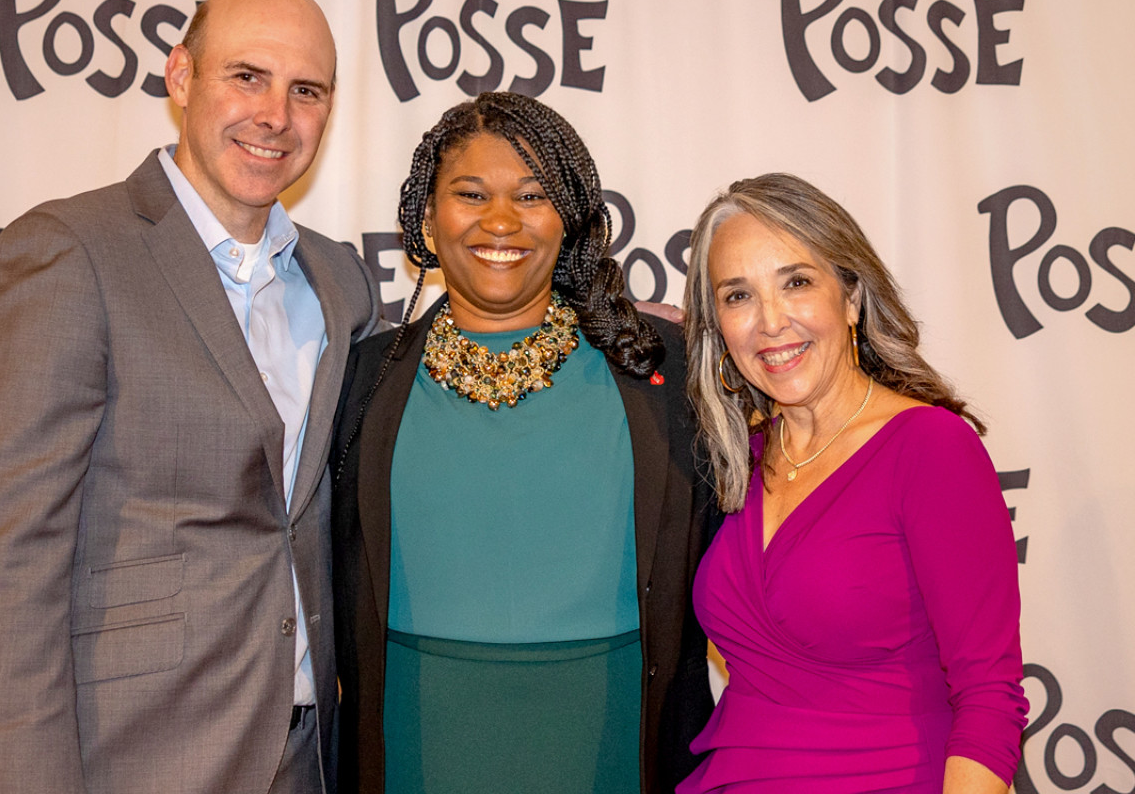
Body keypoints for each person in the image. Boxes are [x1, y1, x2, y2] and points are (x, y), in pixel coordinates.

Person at [0, 0, 381, 791]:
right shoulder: (68, 253)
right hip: (130, 757)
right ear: (181, 75)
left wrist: (613, 316)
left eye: (306, 91)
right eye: (248, 76)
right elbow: (4, 564)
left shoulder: (338, 279)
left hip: (304, 758)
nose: (275, 115)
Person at [330, 91, 719, 794]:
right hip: (420, 740)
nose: (501, 221)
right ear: (426, 214)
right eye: (471, 193)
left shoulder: (664, 366)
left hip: (614, 741)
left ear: (569, 219)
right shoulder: (359, 380)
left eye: (533, 196)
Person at [677, 173, 1028, 793]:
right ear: (717, 329)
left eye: (796, 282)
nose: (771, 322)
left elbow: (988, 698)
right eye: (738, 297)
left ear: (851, 297)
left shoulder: (930, 449)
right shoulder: (739, 461)